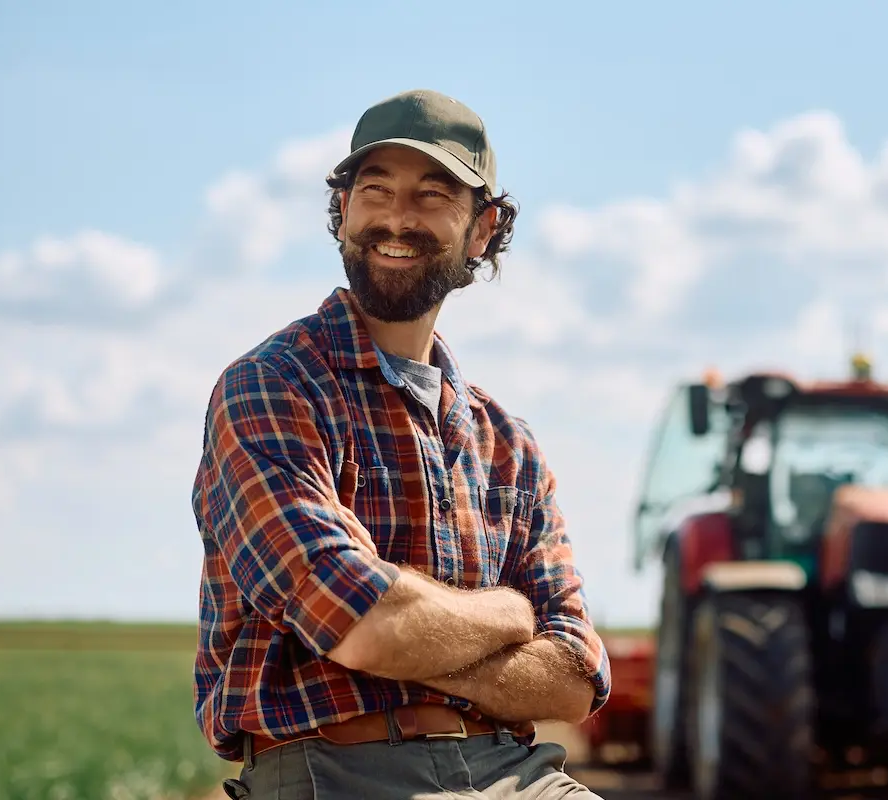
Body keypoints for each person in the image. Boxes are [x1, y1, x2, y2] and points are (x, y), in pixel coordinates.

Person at [191, 88, 611, 799]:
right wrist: (509, 615)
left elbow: (575, 677)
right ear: (342, 212)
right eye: (374, 190)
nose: (395, 216)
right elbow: (356, 620)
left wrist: (411, 635)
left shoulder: (507, 443)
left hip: (517, 775)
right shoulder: (271, 390)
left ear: (483, 228)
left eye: (431, 194)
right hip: (338, 770)